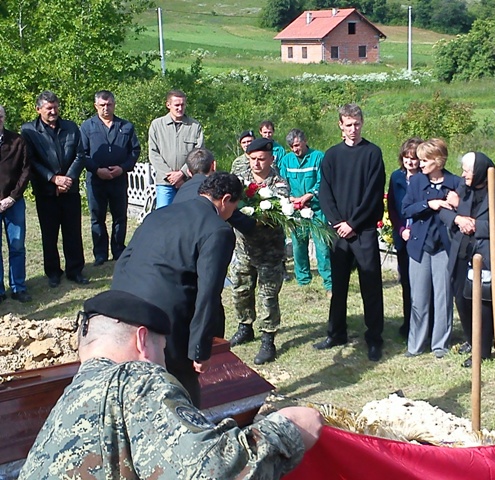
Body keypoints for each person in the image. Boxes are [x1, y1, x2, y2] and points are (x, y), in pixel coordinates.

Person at [18, 290, 323, 479]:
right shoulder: (135, 378)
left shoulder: (67, 404)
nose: (162, 361)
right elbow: (210, 473)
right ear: (142, 341)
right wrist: (286, 430)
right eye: (162, 349)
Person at [111, 172, 240, 407]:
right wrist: (200, 349)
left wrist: (117, 310)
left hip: (126, 310)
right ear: (226, 199)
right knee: (182, 390)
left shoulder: (159, 214)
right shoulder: (218, 230)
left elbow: (124, 261)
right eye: (234, 207)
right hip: (169, 319)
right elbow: (208, 292)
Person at [316, 104, 386, 362]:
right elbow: (325, 192)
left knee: (370, 284)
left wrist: (353, 223)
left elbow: (373, 194)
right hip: (338, 230)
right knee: (339, 284)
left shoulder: (372, 153)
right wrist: (337, 222)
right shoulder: (332, 155)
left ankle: (374, 338)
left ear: (362, 123)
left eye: (356, 124)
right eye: (348, 124)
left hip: (363, 229)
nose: (353, 129)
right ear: (340, 125)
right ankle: (336, 333)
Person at [441, 152, 495, 368]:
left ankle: (483, 349)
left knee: (482, 303)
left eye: (467, 171)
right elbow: (444, 211)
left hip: (484, 255)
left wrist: (476, 226)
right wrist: (458, 219)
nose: (463, 175)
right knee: (461, 298)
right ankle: (472, 340)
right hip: (462, 251)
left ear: (479, 171)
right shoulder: (463, 188)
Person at [229, 138, 290, 365]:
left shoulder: (279, 183)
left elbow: (271, 212)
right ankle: (245, 326)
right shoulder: (240, 182)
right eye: (252, 159)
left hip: (269, 251)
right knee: (241, 290)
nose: (256, 163)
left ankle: (268, 338)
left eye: (261, 159)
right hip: (244, 248)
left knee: (268, 295)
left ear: (271, 159)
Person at [21, 91, 88, 287]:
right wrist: (53, 179)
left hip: (70, 189)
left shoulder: (70, 127)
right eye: (49, 108)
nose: (53, 111)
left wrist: (68, 179)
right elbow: (31, 160)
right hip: (46, 191)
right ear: (38, 109)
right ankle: (53, 273)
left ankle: (75, 270)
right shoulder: (29, 131)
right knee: (49, 234)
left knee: (73, 232)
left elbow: (80, 154)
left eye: (56, 107)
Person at [401, 139, 460, 358]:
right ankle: (415, 345)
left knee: (443, 296)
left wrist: (456, 203)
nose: (420, 163)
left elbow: (464, 212)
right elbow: (406, 209)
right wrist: (429, 204)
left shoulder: (455, 182)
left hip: (444, 248)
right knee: (419, 296)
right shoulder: (416, 182)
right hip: (419, 247)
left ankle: (440, 345)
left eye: (425, 160)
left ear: (438, 161)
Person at [80, 90, 141, 266]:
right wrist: (97, 170)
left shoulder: (126, 126)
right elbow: (83, 153)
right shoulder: (87, 127)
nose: (106, 108)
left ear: (114, 105)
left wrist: (122, 168)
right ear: (96, 106)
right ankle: (100, 253)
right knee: (97, 216)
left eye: (109, 105)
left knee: (119, 216)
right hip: (96, 180)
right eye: (102, 105)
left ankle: (118, 250)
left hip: (118, 179)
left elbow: (135, 151)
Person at [279, 128, 332, 293]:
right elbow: (282, 182)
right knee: (298, 245)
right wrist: (290, 198)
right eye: (291, 146)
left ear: (304, 141)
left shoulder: (318, 157)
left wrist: (309, 196)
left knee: (322, 246)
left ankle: (329, 281)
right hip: (296, 210)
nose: (295, 149)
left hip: (316, 208)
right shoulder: (287, 161)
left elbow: (323, 181)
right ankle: (303, 280)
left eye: (297, 145)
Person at [174, 147, 256, 235]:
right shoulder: (214, 188)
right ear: (213, 165)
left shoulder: (181, 190)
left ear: (188, 172)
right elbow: (242, 223)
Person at [387, 137, 422, 338]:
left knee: (423, 283)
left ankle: (424, 323)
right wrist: (401, 230)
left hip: (421, 237)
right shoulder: (396, 177)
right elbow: (392, 207)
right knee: (407, 282)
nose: (410, 162)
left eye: (414, 158)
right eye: (407, 157)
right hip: (403, 237)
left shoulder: (426, 178)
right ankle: (408, 322)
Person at [148, 89, 203, 208]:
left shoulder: (194, 126)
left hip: (188, 182)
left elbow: (198, 153)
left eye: (182, 104)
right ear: (168, 105)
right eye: (176, 105)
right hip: (165, 182)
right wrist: (170, 176)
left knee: (189, 216)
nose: (180, 108)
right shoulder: (157, 125)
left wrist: (182, 174)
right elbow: (153, 153)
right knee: (163, 218)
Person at [0, 105, 31, 303]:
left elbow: (25, 171)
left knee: (17, 245)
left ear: (4, 117)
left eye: (0, 116)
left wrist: (12, 197)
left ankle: (18, 287)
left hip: (14, 202)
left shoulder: (18, 141)